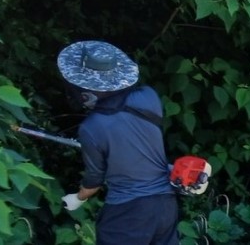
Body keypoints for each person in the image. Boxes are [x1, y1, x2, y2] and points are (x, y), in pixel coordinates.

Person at [58, 40, 179, 245]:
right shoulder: (149, 96)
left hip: (128, 212)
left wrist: (78, 198)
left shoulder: (92, 127)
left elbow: (94, 180)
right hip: (166, 204)